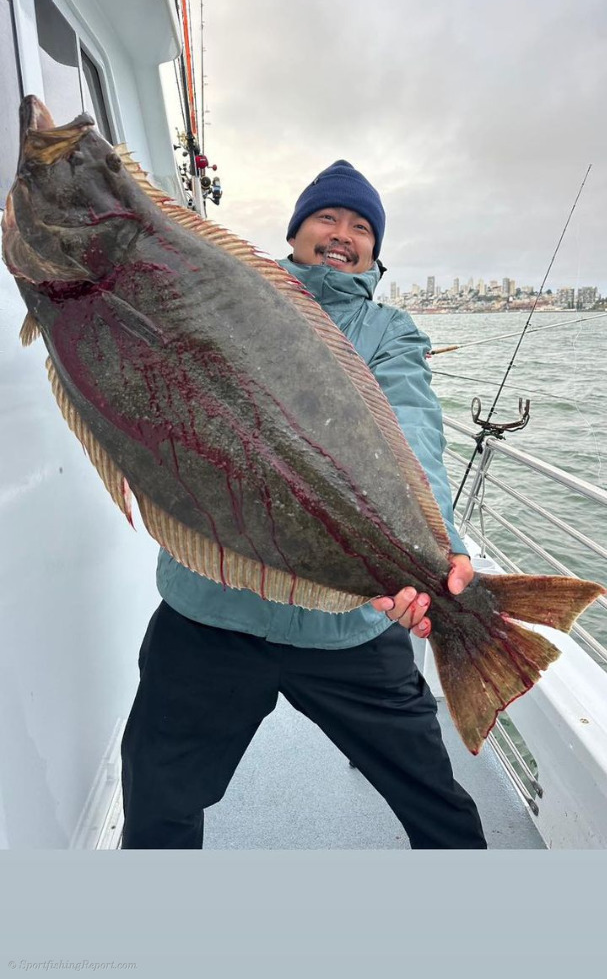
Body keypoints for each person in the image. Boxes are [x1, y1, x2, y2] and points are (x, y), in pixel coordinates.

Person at [121, 159, 487, 850]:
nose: (342, 234)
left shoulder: (389, 332)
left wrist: (437, 550)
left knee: (435, 804)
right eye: (327, 218)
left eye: (360, 226)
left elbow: (411, 434)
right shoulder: (229, 294)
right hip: (211, 613)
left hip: (344, 630)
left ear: (375, 248)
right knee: (156, 798)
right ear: (295, 231)